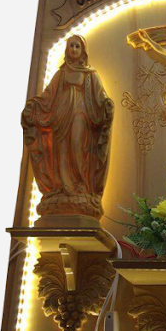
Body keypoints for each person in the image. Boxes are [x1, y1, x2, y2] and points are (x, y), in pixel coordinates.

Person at [22, 35, 114, 222]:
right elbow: (47, 97)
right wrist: (34, 106)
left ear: (83, 51)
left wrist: (106, 104)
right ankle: (63, 187)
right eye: (71, 46)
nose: (74, 49)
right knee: (62, 150)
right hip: (60, 117)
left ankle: (81, 185)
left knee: (76, 146)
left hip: (80, 114)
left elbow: (100, 96)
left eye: (77, 46)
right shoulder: (61, 74)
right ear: (67, 49)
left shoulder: (90, 74)